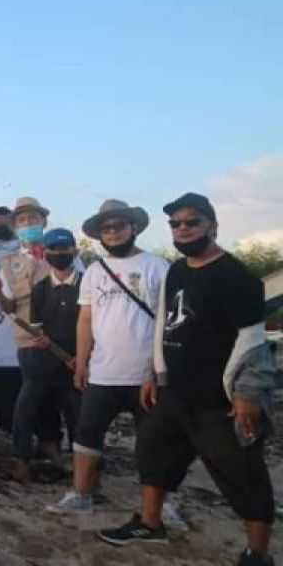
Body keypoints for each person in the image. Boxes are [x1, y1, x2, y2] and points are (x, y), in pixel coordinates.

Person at [99, 194, 275, 564]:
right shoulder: (177, 271)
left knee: (243, 474)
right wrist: (153, 373)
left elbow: (254, 340)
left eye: (191, 222)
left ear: (211, 224)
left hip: (220, 401)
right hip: (175, 394)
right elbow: (164, 324)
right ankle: (150, 522)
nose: (183, 229)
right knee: (152, 453)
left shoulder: (236, 276)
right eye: (175, 224)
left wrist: (247, 393)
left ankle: (257, 552)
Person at [49, 200, 169, 514]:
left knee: (154, 441)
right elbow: (85, 320)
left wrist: (158, 368)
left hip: (147, 373)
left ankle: (159, 505)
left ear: (134, 228)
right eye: (107, 228)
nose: (113, 233)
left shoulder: (157, 266)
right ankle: (80, 493)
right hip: (103, 371)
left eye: (118, 226)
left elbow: (168, 321)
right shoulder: (93, 271)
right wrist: (81, 361)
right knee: (87, 434)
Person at [0, 196, 60, 450]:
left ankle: (56, 448)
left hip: (63, 339)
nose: (28, 223)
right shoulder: (9, 262)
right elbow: (8, 308)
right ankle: (22, 455)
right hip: (29, 339)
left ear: (43, 221)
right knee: (30, 398)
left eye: (33, 218)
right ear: (16, 226)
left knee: (63, 397)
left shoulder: (64, 250)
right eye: (22, 220)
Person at [12, 228, 82, 483]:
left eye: (65, 249)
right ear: (46, 253)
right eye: (53, 249)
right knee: (24, 412)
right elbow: (37, 328)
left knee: (78, 416)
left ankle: (83, 469)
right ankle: (22, 462)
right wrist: (43, 342)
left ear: (75, 250)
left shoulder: (87, 285)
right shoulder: (40, 289)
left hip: (75, 365)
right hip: (43, 364)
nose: (59, 254)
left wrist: (80, 359)